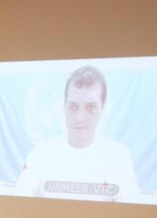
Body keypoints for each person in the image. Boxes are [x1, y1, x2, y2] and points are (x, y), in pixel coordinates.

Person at [13, 66, 140, 202]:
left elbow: (131, 216)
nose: (80, 117)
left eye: (91, 107)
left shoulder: (118, 156)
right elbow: (18, 207)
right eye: (73, 106)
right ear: (64, 107)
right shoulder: (40, 155)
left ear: (103, 108)